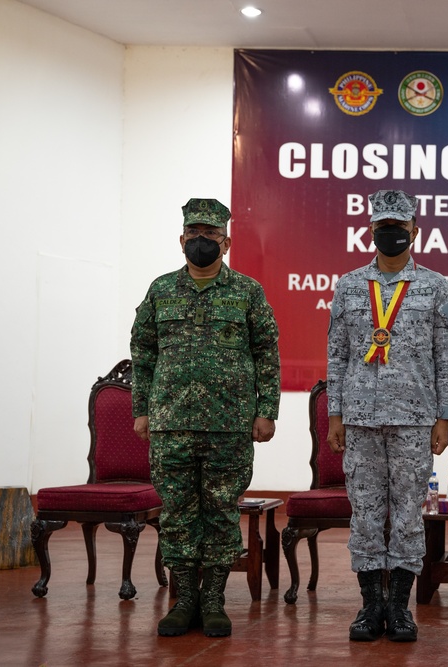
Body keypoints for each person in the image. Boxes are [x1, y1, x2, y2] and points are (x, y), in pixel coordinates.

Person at [130, 197, 280, 638]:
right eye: (193, 234)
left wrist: (266, 410)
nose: (201, 241)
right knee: (176, 512)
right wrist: (142, 410)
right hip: (171, 421)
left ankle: (214, 600)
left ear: (227, 241)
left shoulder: (248, 292)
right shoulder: (160, 290)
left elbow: (266, 353)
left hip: (229, 423)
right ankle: (185, 601)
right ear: (181, 241)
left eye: (210, 235)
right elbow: (143, 353)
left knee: (219, 512)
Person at [327, 189, 448, 643]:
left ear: (414, 231)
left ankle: (400, 608)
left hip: (414, 418)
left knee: (407, 514)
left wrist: (444, 417)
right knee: (365, 512)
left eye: (398, 228)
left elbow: (446, 357)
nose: (390, 234)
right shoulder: (348, 285)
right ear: (370, 231)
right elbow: (338, 355)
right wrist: (335, 415)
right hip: (360, 416)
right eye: (382, 227)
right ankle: (370, 607)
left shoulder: (436, 287)